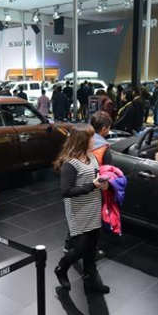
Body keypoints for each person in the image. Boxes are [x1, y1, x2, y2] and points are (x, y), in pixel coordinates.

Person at [53, 126, 110, 295]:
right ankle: (61, 268)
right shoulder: (70, 164)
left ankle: (91, 279)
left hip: (93, 207)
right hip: (78, 212)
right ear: (82, 141)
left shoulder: (91, 157)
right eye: (91, 138)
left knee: (91, 248)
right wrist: (92, 185)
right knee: (80, 248)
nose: (94, 140)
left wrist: (103, 184)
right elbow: (66, 191)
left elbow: (95, 178)